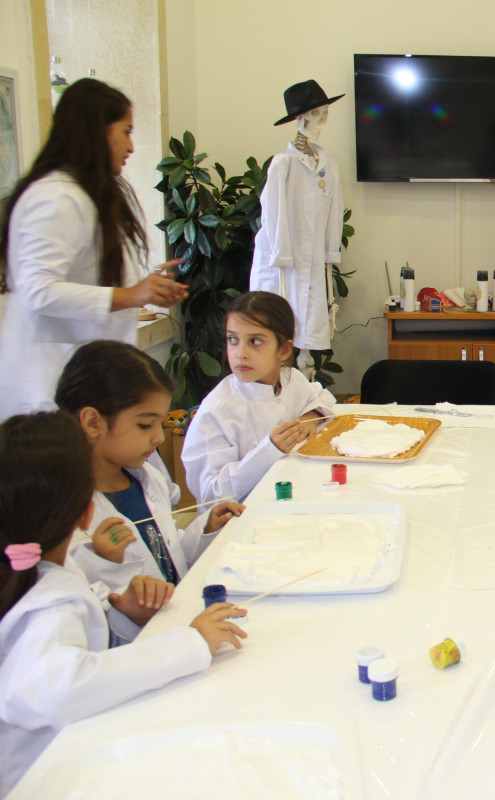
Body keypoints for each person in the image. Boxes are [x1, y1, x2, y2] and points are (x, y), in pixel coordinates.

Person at [0, 412, 247, 795]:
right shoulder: (49, 602)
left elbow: (79, 645)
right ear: (87, 511)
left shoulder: (36, 572)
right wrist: (189, 644)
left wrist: (120, 612)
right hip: (41, 780)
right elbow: (56, 689)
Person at [0, 78, 187, 422]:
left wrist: (146, 287)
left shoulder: (88, 194)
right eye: (126, 132)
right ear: (97, 132)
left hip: (84, 376)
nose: (131, 147)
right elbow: (37, 291)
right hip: (47, 384)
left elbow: (89, 275)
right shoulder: (56, 197)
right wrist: (131, 295)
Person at [55, 340, 244, 591]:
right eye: (145, 425)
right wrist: (109, 566)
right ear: (92, 422)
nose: (159, 437)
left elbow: (167, 555)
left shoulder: (148, 477)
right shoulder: (65, 516)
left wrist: (205, 529)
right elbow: (87, 599)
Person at [181, 291, 335, 503]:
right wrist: (269, 451)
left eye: (254, 341)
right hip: (242, 513)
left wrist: (309, 418)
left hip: (292, 494)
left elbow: (322, 397)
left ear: (284, 350)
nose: (240, 353)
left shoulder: (292, 380)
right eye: (233, 339)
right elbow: (209, 492)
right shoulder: (217, 410)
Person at [249, 80, 345, 372]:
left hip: (312, 262)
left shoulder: (327, 166)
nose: (321, 120)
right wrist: (283, 255)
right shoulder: (283, 164)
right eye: (316, 114)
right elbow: (273, 215)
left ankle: (305, 383)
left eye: (325, 113)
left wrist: (330, 254)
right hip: (282, 266)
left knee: (309, 334)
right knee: (278, 329)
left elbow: (334, 213)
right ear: (300, 119)